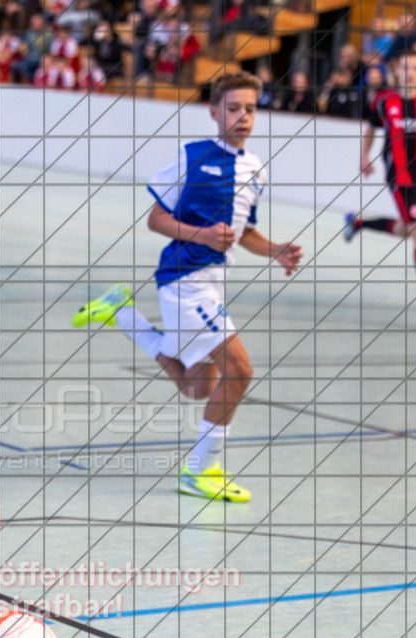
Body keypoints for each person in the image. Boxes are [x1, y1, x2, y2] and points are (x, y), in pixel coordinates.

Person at [73, 71, 303, 503]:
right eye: (233, 108)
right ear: (213, 112)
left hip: (212, 285)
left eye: (250, 109)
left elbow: (243, 232)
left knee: (197, 387)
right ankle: (200, 471)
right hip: (186, 280)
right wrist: (202, 236)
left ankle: (121, 312)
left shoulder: (255, 170)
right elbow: (156, 219)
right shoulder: (192, 157)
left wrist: (275, 251)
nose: (242, 117)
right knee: (240, 371)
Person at [346, 51, 416, 327]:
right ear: (397, 71)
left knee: (407, 229)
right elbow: (372, 128)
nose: (411, 73)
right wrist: (364, 156)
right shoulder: (384, 100)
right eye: (406, 68)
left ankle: (359, 223)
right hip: (399, 178)